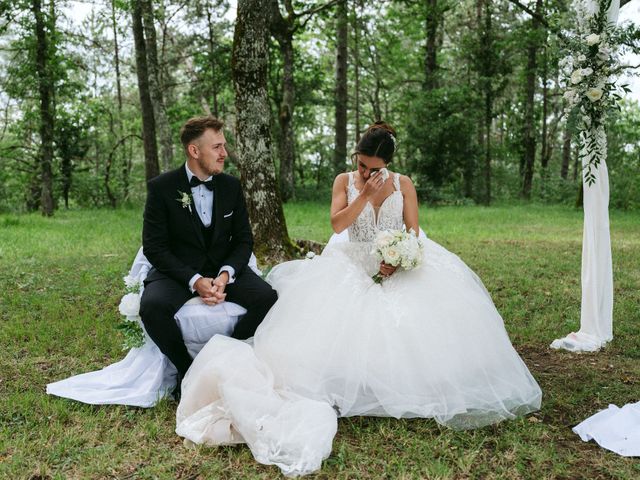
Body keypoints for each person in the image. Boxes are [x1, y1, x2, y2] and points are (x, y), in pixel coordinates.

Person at [175, 121, 542, 476]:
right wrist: (363, 194)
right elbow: (337, 225)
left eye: (373, 168)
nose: (365, 172)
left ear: (388, 164)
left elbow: (413, 232)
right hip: (350, 265)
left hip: (393, 265)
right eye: (361, 165)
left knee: (414, 324)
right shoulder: (345, 181)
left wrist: (399, 258)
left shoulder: (404, 184)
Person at [139, 116, 278, 393]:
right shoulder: (162, 188)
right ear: (194, 151)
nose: (224, 153)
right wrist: (194, 280)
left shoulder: (231, 186)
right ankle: (186, 371)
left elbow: (243, 239)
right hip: (178, 271)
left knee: (267, 298)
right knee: (152, 308)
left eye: (223, 146)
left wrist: (226, 275)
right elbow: (154, 247)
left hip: (222, 269)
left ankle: (225, 360)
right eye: (217, 147)